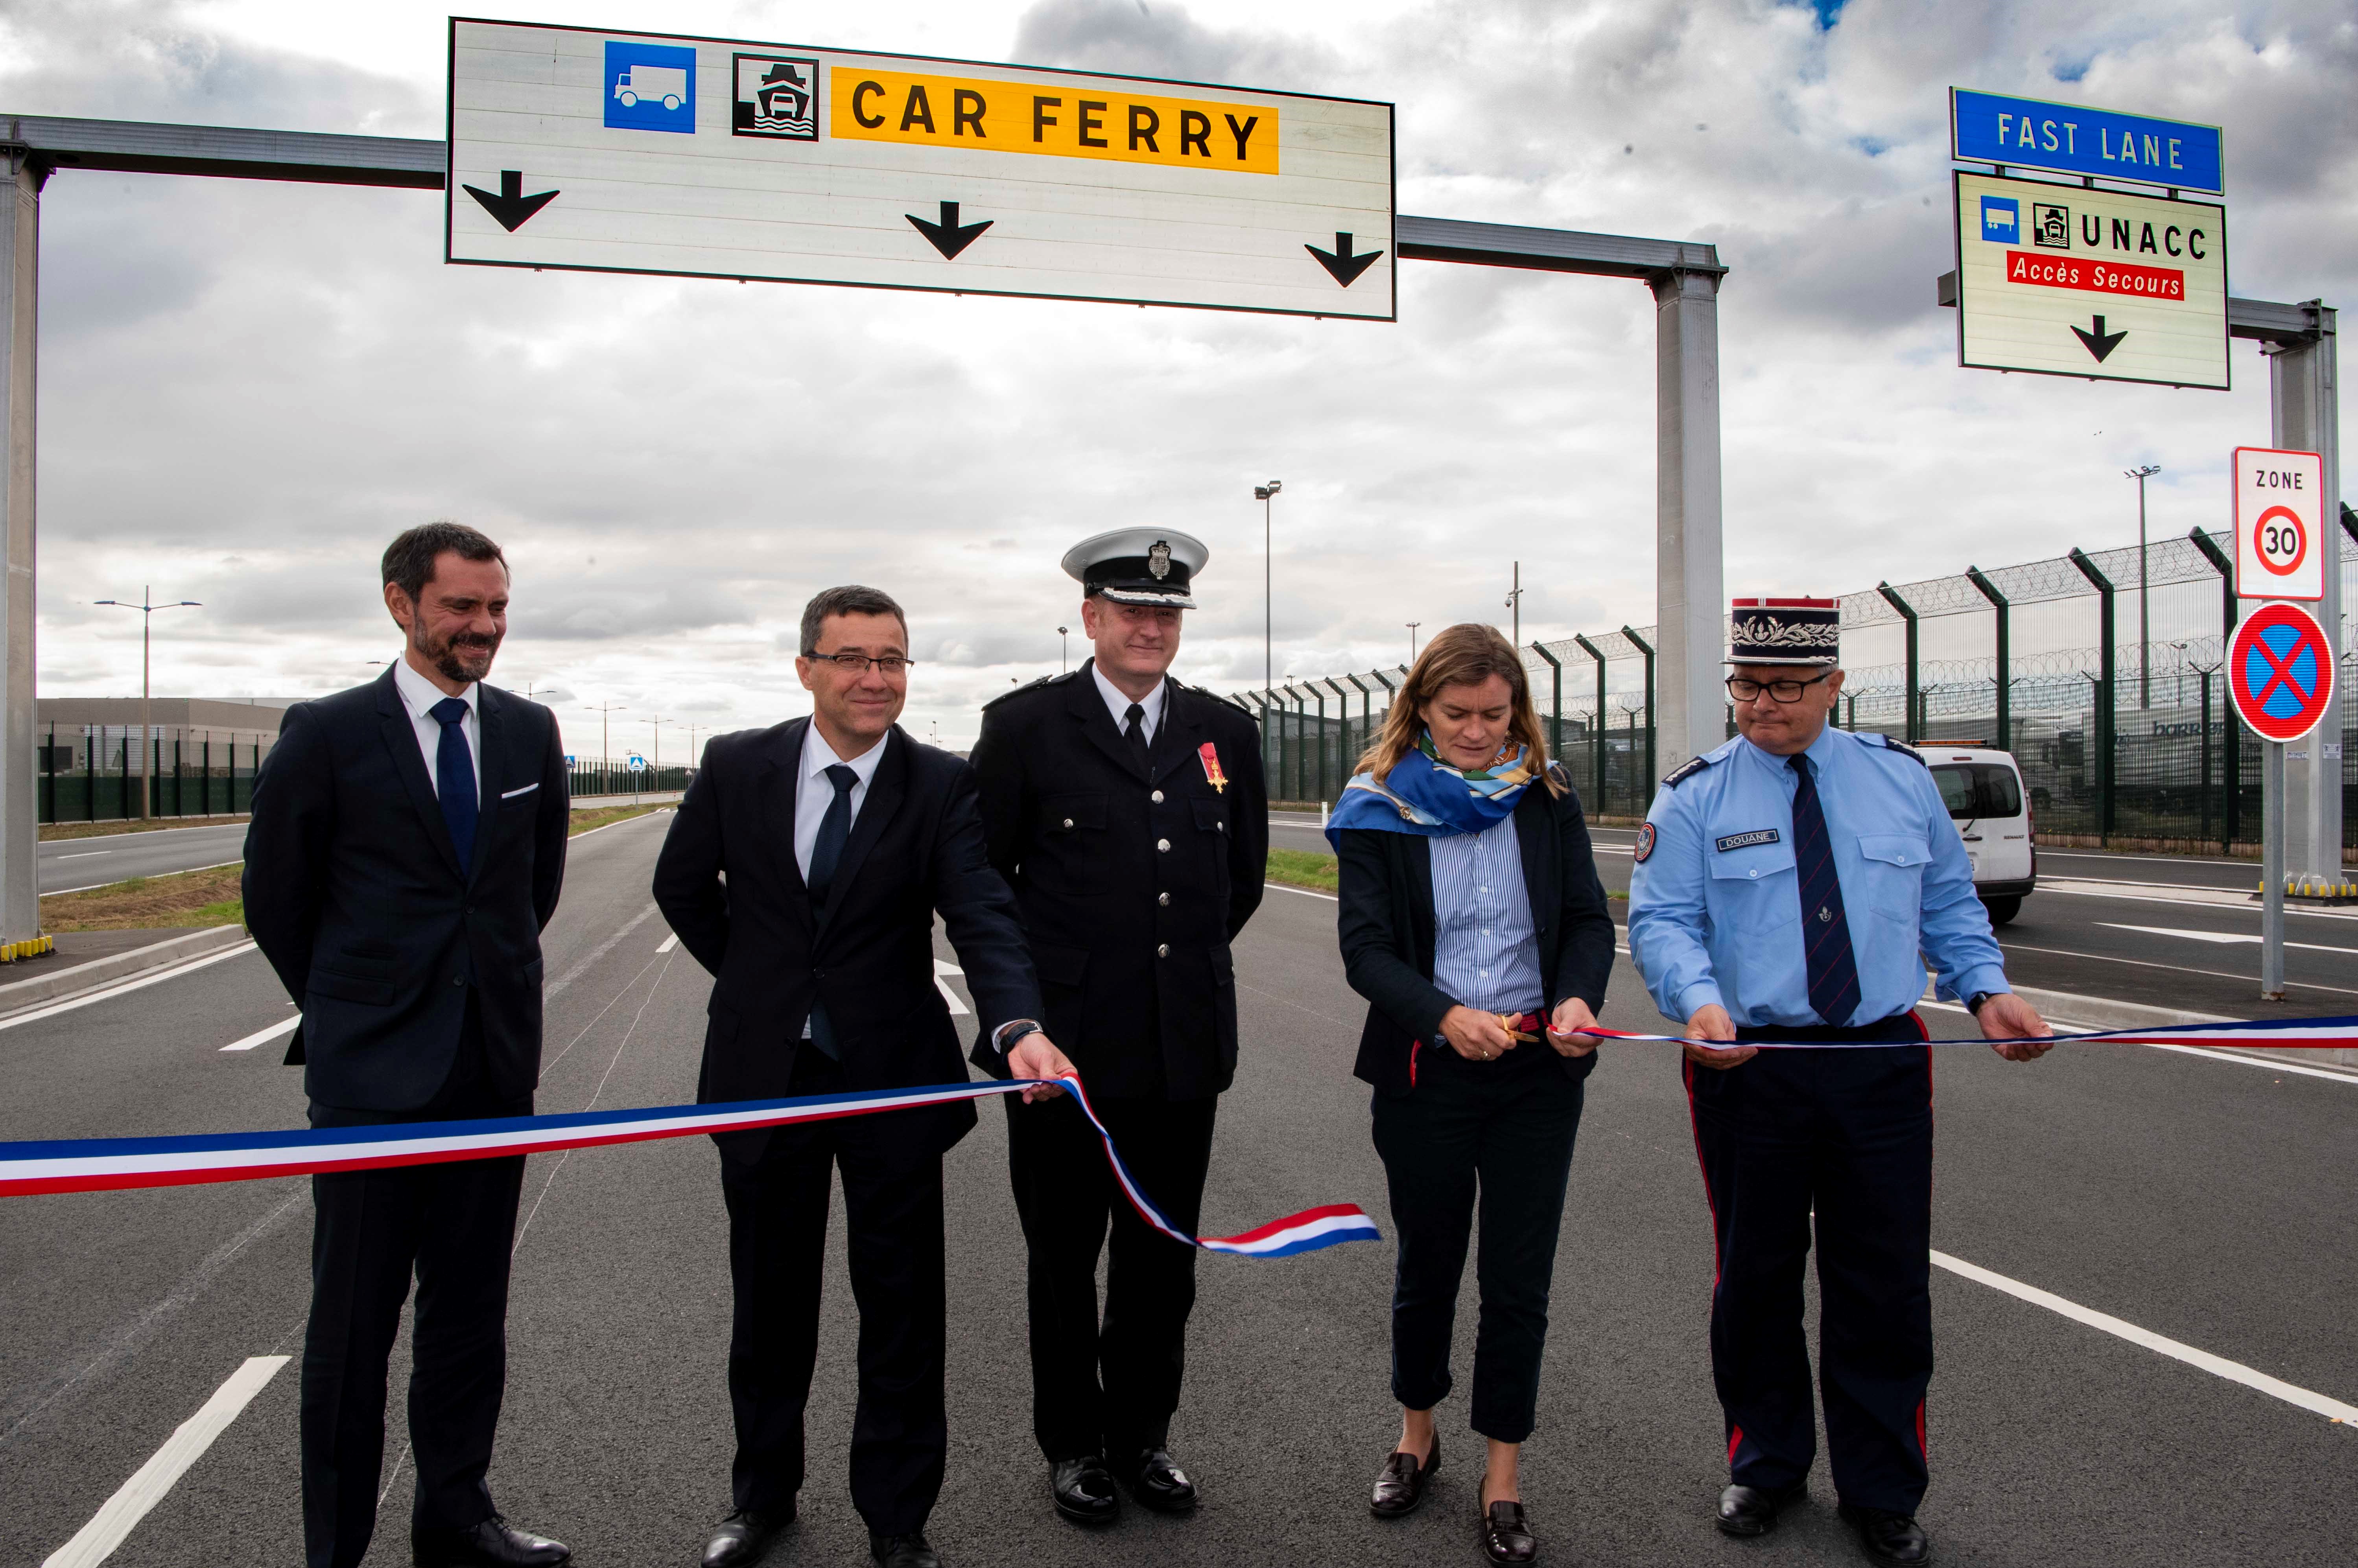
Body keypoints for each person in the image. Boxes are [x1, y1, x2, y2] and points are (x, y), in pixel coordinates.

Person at [1626, 596, 2055, 1566]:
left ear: (1833, 685)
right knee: (1757, 1275)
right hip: (1751, 1065)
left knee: (1884, 1281)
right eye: (1745, 682)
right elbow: (1661, 921)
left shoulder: (1900, 782)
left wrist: (1988, 993)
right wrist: (1697, 1002)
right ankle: (1766, 1462)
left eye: (1783, 685)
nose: (1758, 703)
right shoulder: (1694, 795)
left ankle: (1881, 1487)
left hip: (1879, 1062)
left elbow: (1947, 900)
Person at [652, 585, 1075, 1568]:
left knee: (901, 1306)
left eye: (891, 658)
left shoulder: (939, 782)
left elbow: (981, 910)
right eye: (851, 657)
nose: (874, 677)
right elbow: (683, 886)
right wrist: (765, 985)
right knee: (769, 1301)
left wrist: (1016, 1022)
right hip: (765, 1074)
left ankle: (897, 1518)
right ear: (806, 667)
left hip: (893, 1079)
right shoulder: (735, 764)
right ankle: (760, 1498)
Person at [243, 521, 572, 1568]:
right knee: (351, 1328)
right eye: (462, 606)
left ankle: (459, 1517)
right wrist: (351, 1013)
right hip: (371, 1087)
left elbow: (533, 889)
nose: (484, 626)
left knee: (470, 1315)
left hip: (490, 1070)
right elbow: (276, 898)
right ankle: (334, 1548)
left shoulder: (528, 733)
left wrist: (484, 1000)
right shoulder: (328, 732)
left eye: (498, 607)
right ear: (401, 603)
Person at [966, 529, 1268, 1525]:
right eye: (1131, 609)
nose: (1151, 625)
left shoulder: (1227, 729)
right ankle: (1073, 1445)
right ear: (1090, 618)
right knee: (1062, 1259)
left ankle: (1143, 1435)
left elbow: (1240, 884)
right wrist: (1023, 1019)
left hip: (1182, 1047)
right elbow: (985, 888)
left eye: (1167, 611)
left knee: (1160, 1256)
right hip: (1063, 1056)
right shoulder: (1024, 728)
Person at [1329, 622, 1616, 1567]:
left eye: (1496, 715)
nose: (1478, 733)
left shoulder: (1546, 793)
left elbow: (1582, 917)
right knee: (1429, 1264)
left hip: (1538, 1071)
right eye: (1457, 714)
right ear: (1418, 707)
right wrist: (1444, 1014)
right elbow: (1366, 951)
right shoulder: (1377, 805)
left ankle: (1503, 1473)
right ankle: (1417, 1432)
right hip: (1429, 1072)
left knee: (1517, 1281)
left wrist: (1577, 996)